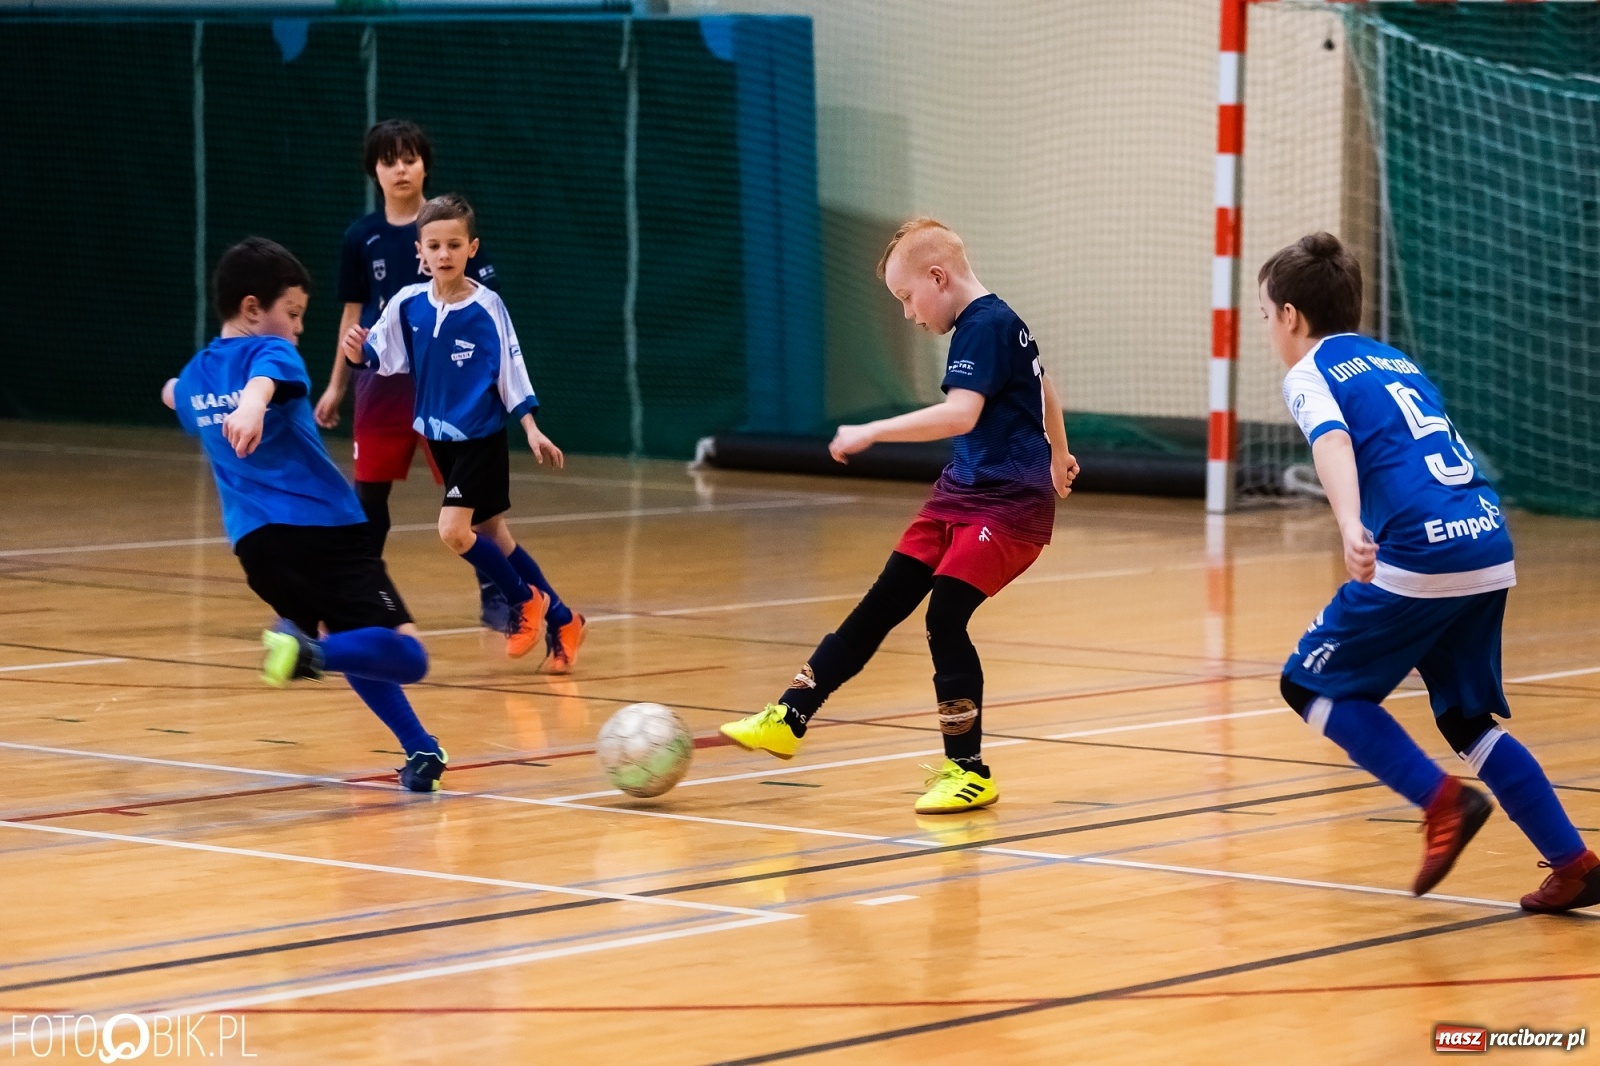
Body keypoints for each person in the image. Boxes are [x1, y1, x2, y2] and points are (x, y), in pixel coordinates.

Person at [1265, 231, 1597, 911]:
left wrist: (1350, 523)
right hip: (1486, 540)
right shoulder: (1395, 361)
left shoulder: (1309, 371)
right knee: (1467, 718)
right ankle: (1574, 863)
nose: (1270, 330)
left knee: (1310, 686)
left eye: (1267, 316)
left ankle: (1441, 802)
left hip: (1421, 551)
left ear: (1291, 316)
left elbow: (1331, 442)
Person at [719, 217, 1077, 813]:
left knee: (945, 615)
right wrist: (1060, 452)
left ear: (938, 276)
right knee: (882, 602)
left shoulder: (984, 325)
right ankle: (790, 715)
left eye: (908, 298)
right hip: (961, 492)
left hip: (1008, 505)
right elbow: (1043, 388)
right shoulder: (996, 322)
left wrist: (871, 430)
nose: (909, 314)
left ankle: (969, 770)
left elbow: (961, 415)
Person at [163, 237, 447, 791]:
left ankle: (422, 750)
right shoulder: (271, 353)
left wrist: (172, 391)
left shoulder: (197, 375)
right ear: (252, 309)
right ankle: (309, 652)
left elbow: (177, 394)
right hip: (325, 532)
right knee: (407, 654)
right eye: (291, 314)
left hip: (257, 550)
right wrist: (251, 400)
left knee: (351, 640)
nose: (296, 328)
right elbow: (271, 375)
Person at [341, 193, 586, 670]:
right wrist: (356, 352)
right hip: (439, 438)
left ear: (472, 248)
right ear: (420, 252)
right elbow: (381, 358)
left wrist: (531, 428)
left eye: (454, 244)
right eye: (434, 246)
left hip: (480, 437)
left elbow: (512, 370)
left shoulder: (488, 307)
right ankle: (563, 618)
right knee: (496, 536)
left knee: (454, 531)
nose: (444, 254)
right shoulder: (408, 304)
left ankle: (523, 602)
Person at [314, 119, 511, 630]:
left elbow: (487, 311)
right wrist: (337, 382)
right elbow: (353, 315)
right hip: (381, 385)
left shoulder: (449, 230)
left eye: (409, 158)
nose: (399, 169)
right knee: (370, 494)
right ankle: (365, 596)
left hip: (449, 384)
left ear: (425, 164)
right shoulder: (361, 237)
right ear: (373, 171)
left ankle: (501, 593)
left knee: (475, 502)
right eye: (388, 160)